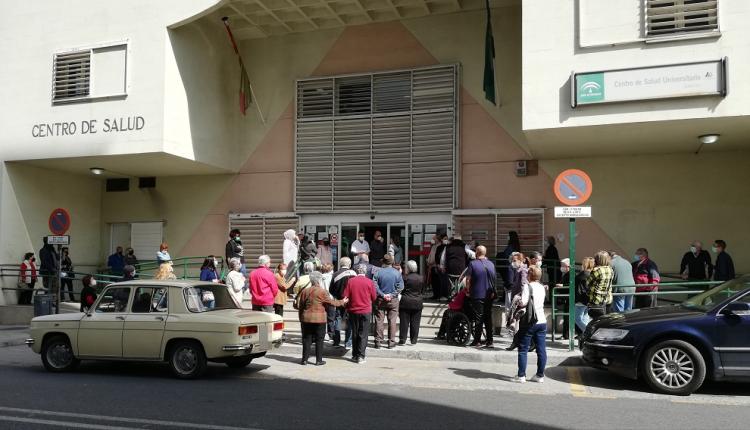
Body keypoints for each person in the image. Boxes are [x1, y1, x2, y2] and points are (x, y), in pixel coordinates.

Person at [296, 271, 348, 366]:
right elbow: (332, 303)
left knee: (306, 339)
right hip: (319, 319)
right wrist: (343, 301)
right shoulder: (323, 292)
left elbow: (301, 306)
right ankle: (318, 360)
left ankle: (304, 360)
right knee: (319, 340)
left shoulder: (305, 291)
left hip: (306, 319)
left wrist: (301, 318)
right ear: (319, 280)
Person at [513, 266, 547, 384]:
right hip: (542, 321)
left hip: (529, 322)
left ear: (530, 275)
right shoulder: (542, 287)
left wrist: (517, 299)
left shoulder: (528, 286)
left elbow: (523, 302)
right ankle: (540, 375)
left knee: (523, 349)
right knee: (541, 350)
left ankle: (521, 375)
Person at [343, 264, 378, 364]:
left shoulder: (350, 281)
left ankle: (355, 355)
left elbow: (345, 296)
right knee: (363, 334)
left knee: (355, 332)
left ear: (357, 271)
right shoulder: (370, 282)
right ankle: (361, 356)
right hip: (365, 310)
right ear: (365, 271)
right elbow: (374, 297)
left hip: (353, 310)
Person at [465, 246, 497, 348]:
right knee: (488, 318)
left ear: (476, 253)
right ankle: (490, 341)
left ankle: (477, 341)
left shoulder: (473, 264)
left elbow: (468, 279)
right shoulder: (491, 264)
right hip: (489, 294)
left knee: (479, 317)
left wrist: (467, 291)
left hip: (477, 294)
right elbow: (494, 279)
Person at [373, 254, 404, 349]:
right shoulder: (397, 273)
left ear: (383, 262)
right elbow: (401, 287)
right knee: (392, 321)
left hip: (380, 299)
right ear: (392, 263)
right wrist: (392, 295)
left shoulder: (378, 272)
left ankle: (378, 341)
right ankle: (391, 342)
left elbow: (374, 285)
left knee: (379, 320)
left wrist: (382, 294)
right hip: (393, 300)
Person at [329, 257, 356, 348]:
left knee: (338, 320)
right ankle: (348, 343)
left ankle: (336, 341)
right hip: (351, 301)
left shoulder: (335, 274)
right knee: (350, 321)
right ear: (349, 264)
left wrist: (338, 297)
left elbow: (331, 290)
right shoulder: (354, 274)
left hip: (339, 301)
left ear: (340, 264)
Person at [398, 260, 424, 345]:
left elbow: (401, 290)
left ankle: (402, 339)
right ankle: (414, 340)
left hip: (406, 302)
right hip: (417, 302)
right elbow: (423, 290)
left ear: (408, 268)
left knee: (404, 322)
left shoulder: (405, 278)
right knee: (415, 322)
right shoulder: (421, 278)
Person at [586, 251, 614, 321]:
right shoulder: (610, 269)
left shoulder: (597, 270)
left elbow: (587, 283)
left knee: (596, 322)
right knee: (606, 321)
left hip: (597, 300)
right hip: (608, 299)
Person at [574, 257, 595, 332]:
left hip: (580, 300)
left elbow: (577, 287)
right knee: (585, 318)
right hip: (588, 300)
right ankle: (586, 334)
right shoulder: (592, 274)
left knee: (577, 319)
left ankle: (588, 332)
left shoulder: (581, 275)